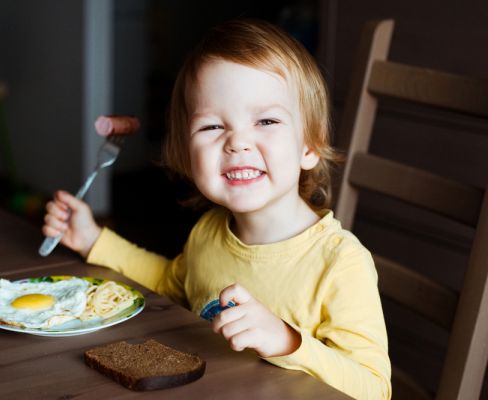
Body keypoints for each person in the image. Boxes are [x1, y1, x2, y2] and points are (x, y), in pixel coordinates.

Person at [43, 19, 391, 399]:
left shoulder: (340, 263)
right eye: (211, 127)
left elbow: (374, 388)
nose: (238, 142)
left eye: (267, 120)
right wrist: (94, 240)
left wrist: (289, 342)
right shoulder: (208, 234)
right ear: (186, 153)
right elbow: (168, 284)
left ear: (309, 146)